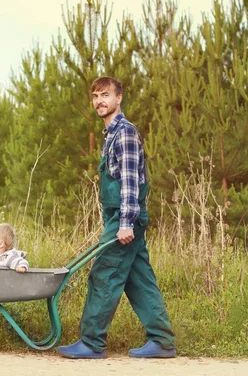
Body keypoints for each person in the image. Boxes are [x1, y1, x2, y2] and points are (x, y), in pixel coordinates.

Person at [56, 76, 176, 359]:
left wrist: (124, 223)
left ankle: (92, 343)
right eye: (96, 96)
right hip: (120, 217)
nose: (100, 100)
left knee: (104, 274)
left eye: (105, 95)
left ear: (118, 98)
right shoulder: (111, 134)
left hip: (126, 218)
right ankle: (162, 341)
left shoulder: (125, 133)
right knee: (139, 279)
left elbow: (131, 183)